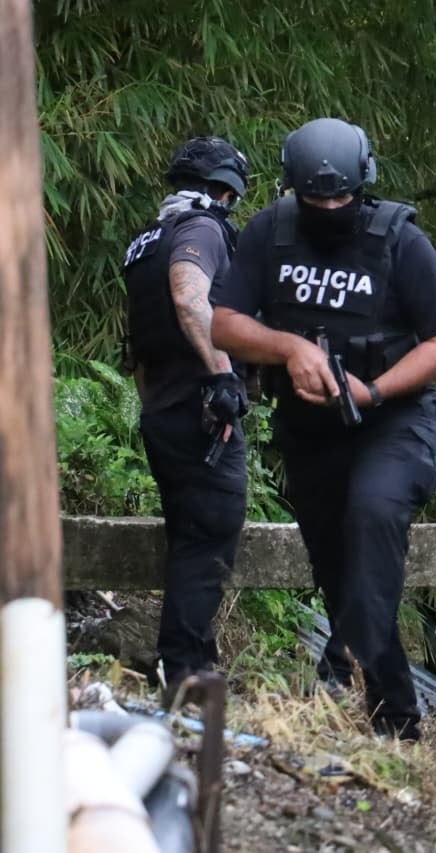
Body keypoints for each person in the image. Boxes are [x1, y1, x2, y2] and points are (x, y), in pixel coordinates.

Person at [210, 117, 436, 740]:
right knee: (335, 569)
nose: (329, 208)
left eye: (341, 197)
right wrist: (291, 348)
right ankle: (394, 721)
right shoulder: (270, 232)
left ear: (363, 182)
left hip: (394, 420)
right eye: (314, 199)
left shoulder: (400, 241)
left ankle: (373, 689)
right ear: (291, 188)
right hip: (310, 431)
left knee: (373, 514)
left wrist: (373, 390)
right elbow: (223, 323)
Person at [121, 136, 253, 702]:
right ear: (226, 190)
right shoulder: (200, 228)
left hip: (163, 411)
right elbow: (188, 296)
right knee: (210, 539)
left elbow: (139, 343)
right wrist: (223, 376)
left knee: (189, 539)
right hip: (203, 413)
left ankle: (190, 666)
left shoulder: (145, 241)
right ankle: (186, 675)